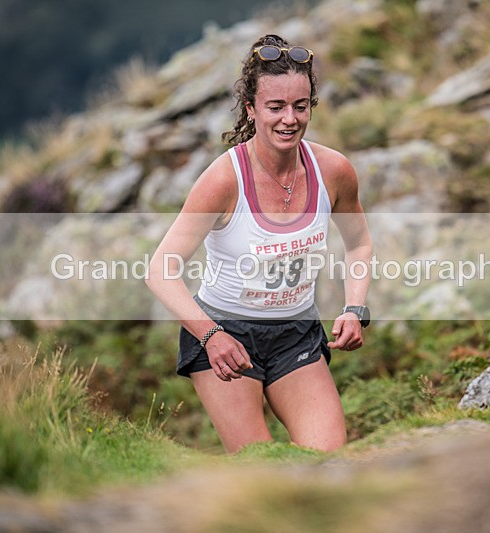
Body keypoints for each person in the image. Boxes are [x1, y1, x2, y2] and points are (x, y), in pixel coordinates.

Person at [146, 34, 372, 453]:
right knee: (259, 463)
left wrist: (355, 308)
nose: (290, 119)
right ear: (251, 109)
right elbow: (161, 269)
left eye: (300, 106)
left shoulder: (334, 171)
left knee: (327, 461)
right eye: (275, 107)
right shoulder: (223, 180)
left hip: (297, 332)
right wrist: (210, 336)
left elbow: (358, 243)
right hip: (224, 331)